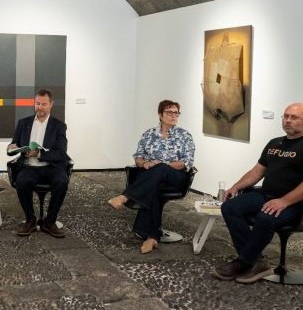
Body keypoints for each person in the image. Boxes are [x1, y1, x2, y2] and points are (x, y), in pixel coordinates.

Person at [213, 102, 303, 283]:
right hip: (265, 194)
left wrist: (284, 201)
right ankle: (256, 261)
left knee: (265, 217)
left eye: (294, 117)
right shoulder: (274, 143)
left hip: (293, 203)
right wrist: (236, 186)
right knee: (230, 207)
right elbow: (257, 171)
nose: (288, 120)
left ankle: (244, 262)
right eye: (285, 116)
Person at [108, 100, 195, 254]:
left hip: (176, 177)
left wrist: (162, 165)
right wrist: (145, 163)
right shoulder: (149, 134)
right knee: (153, 189)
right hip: (153, 179)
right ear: (160, 115)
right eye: (169, 112)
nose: (173, 115)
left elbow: (186, 162)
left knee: (161, 168)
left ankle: (125, 197)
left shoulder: (185, 135)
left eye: (176, 113)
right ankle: (152, 237)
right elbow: (138, 156)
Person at [7, 89, 70, 238]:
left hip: (51, 167)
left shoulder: (59, 126)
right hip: (29, 167)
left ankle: (50, 222)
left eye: (44, 104)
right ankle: (30, 220)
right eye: (37, 103)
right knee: (22, 181)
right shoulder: (23, 123)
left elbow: (61, 153)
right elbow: (14, 146)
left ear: (51, 104)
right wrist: (11, 148)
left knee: (62, 181)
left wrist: (40, 154)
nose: (40, 107)